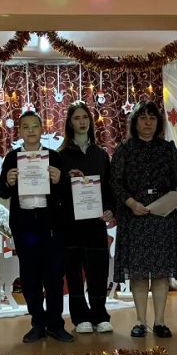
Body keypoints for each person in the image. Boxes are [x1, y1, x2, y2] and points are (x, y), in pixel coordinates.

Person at [110, 101, 177, 338]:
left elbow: (176, 181)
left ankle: (160, 321)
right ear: (134, 122)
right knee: (138, 273)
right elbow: (115, 183)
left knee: (160, 272)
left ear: (158, 122)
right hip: (134, 217)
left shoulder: (167, 149)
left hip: (162, 217)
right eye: (143, 118)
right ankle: (140, 321)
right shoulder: (124, 149)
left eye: (152, 118)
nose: (148, 122)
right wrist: (131, 204)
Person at [0, 111, 74, 343]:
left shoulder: (54, 157)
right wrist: (8, 181)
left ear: (42, 129)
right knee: (30, 275)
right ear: (20, 131)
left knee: (54, 276)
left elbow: (67, 192)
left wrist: (60, 179)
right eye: (26, 127)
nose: (30, 131)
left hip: (50, 224)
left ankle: (56, 324)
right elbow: (3, 192)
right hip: (25, 226)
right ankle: (37, 323)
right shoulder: (12, 158)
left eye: (34, 126)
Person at [59, 102, 115, 334]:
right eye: (76, 118)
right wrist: (66, 179)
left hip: (96, 224)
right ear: (69, 123)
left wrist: (110, 209)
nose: (82, 122)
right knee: (74, 273)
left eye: (85, 117)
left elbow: (109, 189)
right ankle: (80, 317)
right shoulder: (61, 156)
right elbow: (56, 192)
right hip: (70, 224)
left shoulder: (101, 155)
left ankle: (100, 315)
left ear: (90, 122)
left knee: (98, 272)